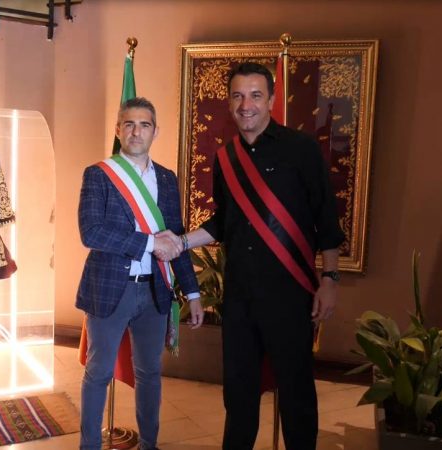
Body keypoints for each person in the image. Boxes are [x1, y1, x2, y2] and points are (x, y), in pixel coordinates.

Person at [172, 62, 345, 449]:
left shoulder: (301, 149)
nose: (245, 105)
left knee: (296, 396)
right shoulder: (226, 158)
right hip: (240, 295)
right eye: (237, 96)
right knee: (238, 395)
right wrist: (181, 242)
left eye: (254, 95)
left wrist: (330, 280)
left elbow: (326, 219)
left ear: (270, 99)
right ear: (229, 102)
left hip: (291, 293)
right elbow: (224, 221)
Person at [76, 97, 205, 450]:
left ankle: (150, 444)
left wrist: (193, 292)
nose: (136, 132)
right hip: (110, 289)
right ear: (118, 130)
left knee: (150, 373)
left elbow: (176, 239)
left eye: (144, 125)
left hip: (155, 291)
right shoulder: (99, 174)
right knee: (99, 373)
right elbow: (92, 232)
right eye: (129, 124)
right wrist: (150, 244)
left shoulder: (167, 178)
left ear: (155, 131)